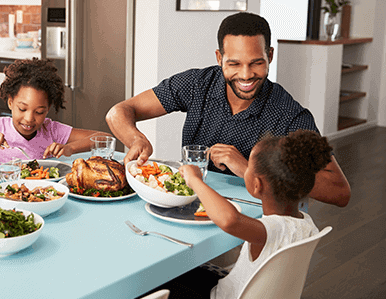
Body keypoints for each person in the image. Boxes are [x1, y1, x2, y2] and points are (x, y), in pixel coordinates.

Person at [106, 12, 350, 207]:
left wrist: (249, 169)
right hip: (188, 205)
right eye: (234, 63)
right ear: (219, 57)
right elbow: (119, 111)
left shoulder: (289, 115)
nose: (245, 75)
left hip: (249, 226)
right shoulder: (196, 84)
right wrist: (136, 139)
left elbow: (339, 192)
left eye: (256, 63)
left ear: (270, 56)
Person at [171, 130, 332, 299]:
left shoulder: (271, 230)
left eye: (249, 168)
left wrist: (194, 180)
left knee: (169, 277)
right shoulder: (306, 224)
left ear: (257, 185)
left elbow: (230, 220)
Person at [0, 58, 111, 172]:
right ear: (10, 102)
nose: (29, 119)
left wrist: (70, 148)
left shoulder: (52, 130)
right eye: (22, 109)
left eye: (39, 112)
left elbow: (105, 138)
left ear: (47, 109)